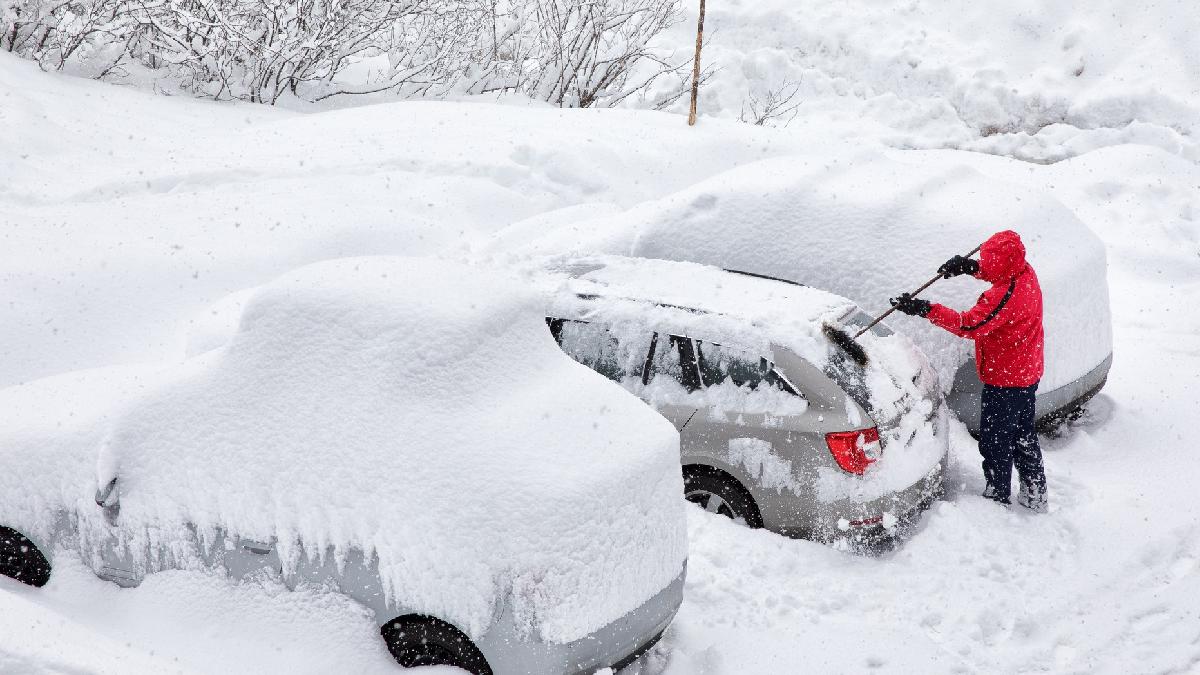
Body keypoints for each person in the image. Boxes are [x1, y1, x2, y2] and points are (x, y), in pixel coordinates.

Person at [889, 230, 1048, 512]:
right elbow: (1002, 271)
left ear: (1003, 262)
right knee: (1023, 435)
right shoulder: (1024, 272)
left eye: (989, 260)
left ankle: (997, 496)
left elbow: (969, 325)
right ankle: (1035, 493)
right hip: (1025, 373)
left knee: (996, 441)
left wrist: (925, 309)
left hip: (1007, 381)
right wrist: (971, 268)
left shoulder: (1004, 296)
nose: (985, 264)